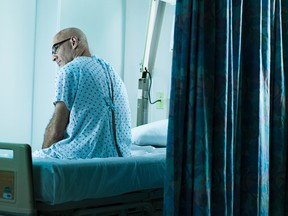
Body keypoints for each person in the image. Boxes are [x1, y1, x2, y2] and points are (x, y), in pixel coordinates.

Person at [33, 27, 132, 159]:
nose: (53, 57)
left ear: (73, 42)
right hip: (121, 157)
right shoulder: (111, 72)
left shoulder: (70, 70)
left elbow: (56, 133)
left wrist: (41, 159)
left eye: (55, 49)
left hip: (82, 156)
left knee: (28, 162)